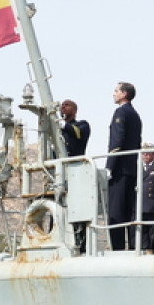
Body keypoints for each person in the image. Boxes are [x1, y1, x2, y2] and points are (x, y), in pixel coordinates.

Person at [107, 82, 142, 251]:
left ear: (124, 94)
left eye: (116, 91)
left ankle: (117, 249)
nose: (113, 94)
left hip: (120, 169)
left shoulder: (121, 112)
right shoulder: (135, 114)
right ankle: (133, 247)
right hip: (131, 169)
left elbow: (117, 141)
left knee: (116, 212)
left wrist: (110, 167)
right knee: (129, 212)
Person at [59, 99, 91, 253]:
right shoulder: (57, 130)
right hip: (59, 174)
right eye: (62, 105)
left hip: (76, 173)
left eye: (67, 105)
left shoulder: (82, 125)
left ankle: (81, 245)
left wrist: (64, 126)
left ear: (75, 109)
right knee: (57, 209)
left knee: (78, 210)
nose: (63, 107)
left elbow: (78, 134)